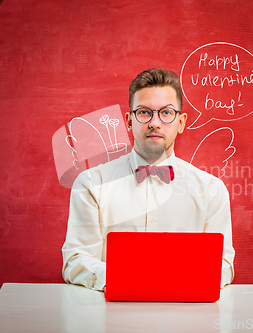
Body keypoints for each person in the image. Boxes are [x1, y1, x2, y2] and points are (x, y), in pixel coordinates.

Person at [62, 68, 235, 291]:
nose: (155, 122)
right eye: (144, 112)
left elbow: (224, 265)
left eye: (166, 113)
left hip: (186, 320)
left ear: (181, 123)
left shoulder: (212, 190)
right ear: (129, 121)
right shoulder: (91, 184)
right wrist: (133, 279)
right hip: (109, 319)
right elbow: (76, 260)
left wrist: (166, 281)